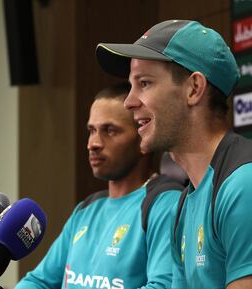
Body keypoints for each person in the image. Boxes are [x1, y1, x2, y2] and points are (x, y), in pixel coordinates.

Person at [96, 19, 252, 289]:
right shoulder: (185, 203)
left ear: (194, 89)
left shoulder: (242, 185)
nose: (129, 102)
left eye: (144, 83)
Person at [14, 83, 182, 289]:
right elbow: (38, 282)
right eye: (91, 131)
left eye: (109, 131)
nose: (93, 143)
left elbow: (163, 286)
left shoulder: (166, 203)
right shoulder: (87, 209)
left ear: (143, 137)